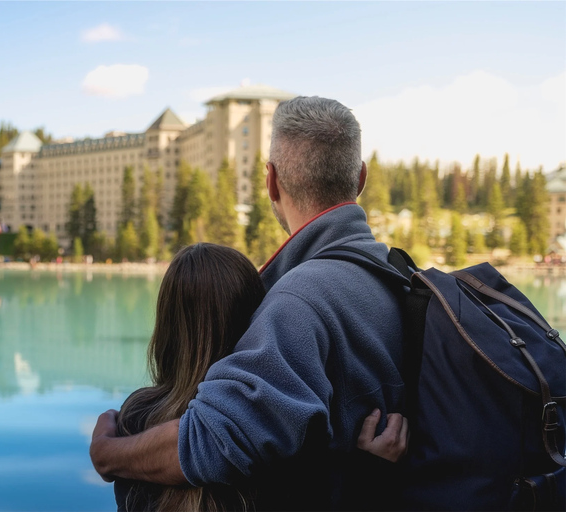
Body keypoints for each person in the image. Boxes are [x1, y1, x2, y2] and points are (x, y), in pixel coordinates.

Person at [92, 96, 409, 510]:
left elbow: (216, 441)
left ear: (271, 181)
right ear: (360, 178)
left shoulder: (298, 302)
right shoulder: (392, 274)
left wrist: (107, 454)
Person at [113, 243, 408, 512]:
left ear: (167, 325)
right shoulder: (276, 426)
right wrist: (374, 470)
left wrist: (106, 450)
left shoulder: (135, 417)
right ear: (256, 313)